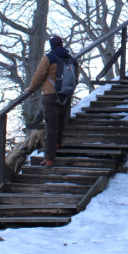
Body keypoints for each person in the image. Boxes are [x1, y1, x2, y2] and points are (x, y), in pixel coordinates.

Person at [25, 35, 79, 166]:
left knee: (50, 126)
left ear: (51, 45)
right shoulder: (71, 60)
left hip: (50, 95)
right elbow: (75, 78)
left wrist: (31, 88)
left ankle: (49, 158)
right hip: (65, 95)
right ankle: (58, 144)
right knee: (61, 122)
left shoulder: (48, 58)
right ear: (61, 44)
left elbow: (39, 75)